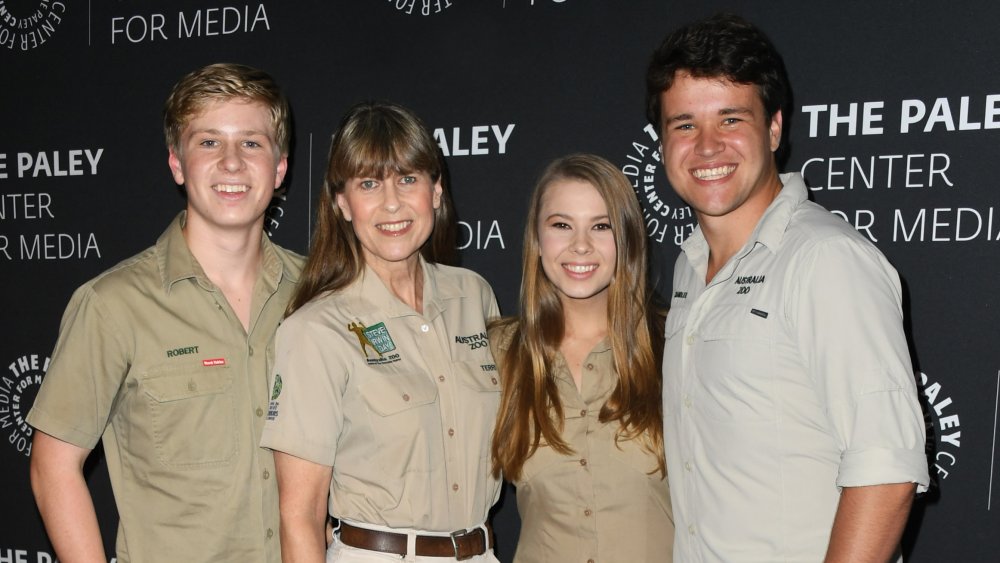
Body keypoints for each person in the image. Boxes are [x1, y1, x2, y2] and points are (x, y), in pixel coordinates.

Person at [646, 13, 930, 562]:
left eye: (730, 120)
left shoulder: (825, 259)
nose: (706, 147)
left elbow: (887, 471)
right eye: (684, 124)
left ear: (774, 128)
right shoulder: (688, 265)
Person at [26, 63, 302, 562]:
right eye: (209, 142)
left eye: (252, 143)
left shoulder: (318, 294)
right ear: (177, 164)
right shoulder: (112, 305)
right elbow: (53, 467)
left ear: (280, 168)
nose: (233, 163)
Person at [259, 101, 502, 562]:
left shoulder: (474, 296)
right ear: (342, 203)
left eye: (408, 179)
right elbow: (301, 515)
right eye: (369, 184)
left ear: (435, 190)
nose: (392, 203)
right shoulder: (315, 330)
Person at [490, 154, 674, 563]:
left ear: (626, 238)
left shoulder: (678, 344)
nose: (580, 245)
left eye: (601, 226)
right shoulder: (498, 352)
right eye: (561, 225)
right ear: (537, 240)